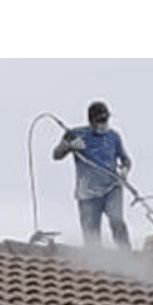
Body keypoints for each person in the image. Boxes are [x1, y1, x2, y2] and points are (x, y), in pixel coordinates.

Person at [53, 101, 132, 249]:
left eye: (106, 119)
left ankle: (126, 254)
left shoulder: (113, 136)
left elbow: (126, 160)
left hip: (111, 188)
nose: (104, 123)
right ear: (92, 121)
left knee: (117, 221)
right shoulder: (75, 134)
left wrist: (125, 170)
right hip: (87, 194)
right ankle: (95, 259)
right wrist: (68, 146)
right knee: (91, 233)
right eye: (100, 120)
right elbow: (56, 155)